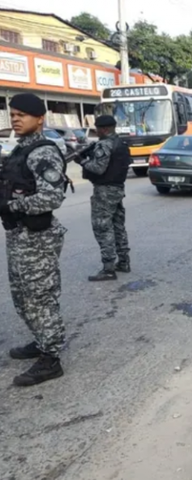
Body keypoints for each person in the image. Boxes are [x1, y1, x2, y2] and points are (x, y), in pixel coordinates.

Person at [0, 93, 69, 387]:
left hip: (37, 238)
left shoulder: (43, 152)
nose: (15, 119)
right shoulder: (20, 150)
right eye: (12, 114)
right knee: (22, 296)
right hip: (19, 235)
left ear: (39, 119)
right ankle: (41, 341)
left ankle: (51, 358)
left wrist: (12, 206)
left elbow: (52, 197)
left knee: (40, 297)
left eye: (22, 115)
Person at [73, 114, 132, 281]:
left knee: (102, 227)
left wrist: (82, 161)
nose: (96, 132)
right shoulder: (120, 143)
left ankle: (108, 268)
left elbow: (98, 168)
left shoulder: (104, 145)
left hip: (105, 191)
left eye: (97, 129)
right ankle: (123, 261)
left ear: (104, 129)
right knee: (117, 226)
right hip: (117, 189)